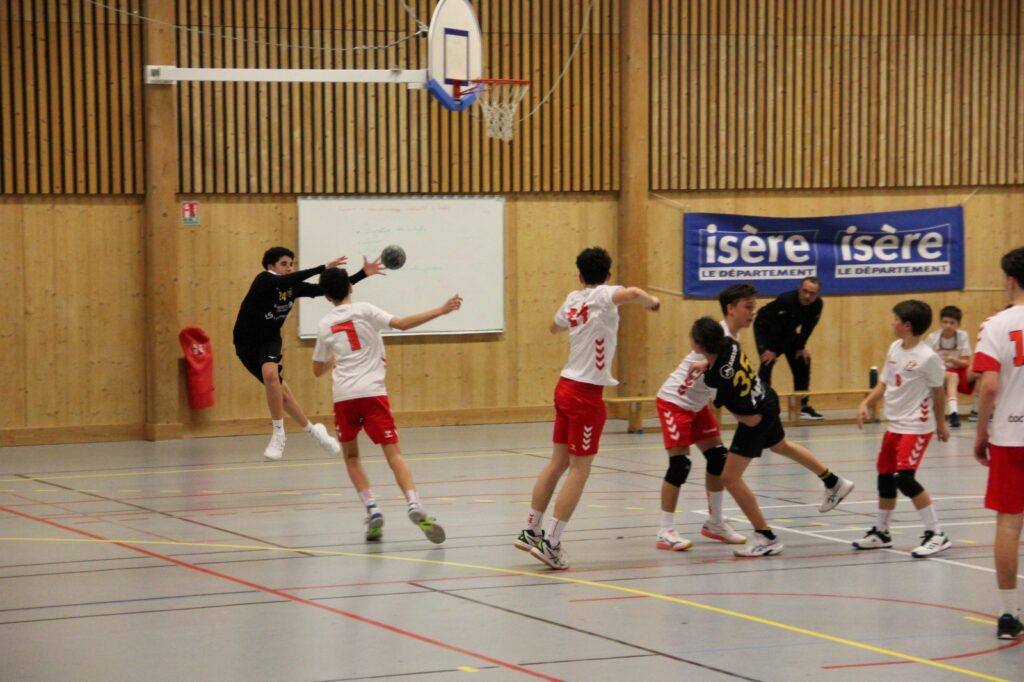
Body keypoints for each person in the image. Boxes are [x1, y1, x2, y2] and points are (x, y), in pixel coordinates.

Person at [514, 247, 660, 570]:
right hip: (585, 395)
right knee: (580, 469)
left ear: (579, 276)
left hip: (565, 386)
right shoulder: (604, 296)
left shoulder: (573, 299)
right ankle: (551, 543)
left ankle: (531, 530)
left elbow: (554, 327)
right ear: (608, 275)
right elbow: (633, 293)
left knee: (557, 462)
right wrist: (651, 301)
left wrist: (572, 323)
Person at [312, 267, 462, 543]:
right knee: (393, 454)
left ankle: (372, 509)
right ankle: (413, 503)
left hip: (344, 397)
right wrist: (442, 310)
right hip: (372, 393)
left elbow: (317, 370)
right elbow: (402, 324)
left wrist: (335, 358)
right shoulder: (365, 310)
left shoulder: (324, 325)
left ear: (326, 296)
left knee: (352, 457)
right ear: (350, 287)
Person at [689, 316, 855, 558]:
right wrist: (706, 363)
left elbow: (736, 409)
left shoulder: (714, 380)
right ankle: (834, 482)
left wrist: (744, 418)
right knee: (780, 445)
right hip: (767, 398)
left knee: (730, 478)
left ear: (698, 345)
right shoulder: (729, 344)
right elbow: (726, 365)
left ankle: (765, 536)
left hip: (755, 416)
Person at [233, 246, 382, 461]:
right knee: (282, 394)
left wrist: (362, 274)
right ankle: (315, 432)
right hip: (245, 344)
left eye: (291, 264)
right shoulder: (263, 280)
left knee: (271, 376)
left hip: (269, 339)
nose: (289, 268)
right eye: (284, 264)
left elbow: (326, 289)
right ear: (270, 266)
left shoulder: (291, 287)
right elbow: (284, 281)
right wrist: (322, 267)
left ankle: (278, 433)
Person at [855, 300, 952, 558]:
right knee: (885, 476)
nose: (892, 323)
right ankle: (882, 532)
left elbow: (938, 392)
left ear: (907, 325)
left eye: (895, 319)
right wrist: (866, 403)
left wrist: (941, 423)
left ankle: (937, 533)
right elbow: (884, 383)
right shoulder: (895, 348)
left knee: (904, 478)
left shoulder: (928, 357)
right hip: (895, 424)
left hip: (917, 426)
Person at [972, 246, 1024, 640]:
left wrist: (981, 433)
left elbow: (988, 385)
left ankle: (1008, 614)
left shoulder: (995, 325)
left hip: (1011, 435)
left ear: (1009, 281)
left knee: (1008, 524)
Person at [653, 347, 746, 550]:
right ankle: (665, 531)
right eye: (748, 311)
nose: (752, 313)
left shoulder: (732, 342)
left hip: (697, 405)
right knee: (680, 464)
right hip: (674, 402)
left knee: (718, 457)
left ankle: (715, 522)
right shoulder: (721, 336)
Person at [753, 277, 825, 420]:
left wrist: (800, 347)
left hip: (787, 330)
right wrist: (770, 349)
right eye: (804, 291)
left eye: (812, 293)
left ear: (817, 294)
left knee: (802, 360)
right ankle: (762, 405)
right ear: (799, 289)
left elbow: (808, 327)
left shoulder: (817, 304)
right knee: (767, 361)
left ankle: (802, 406)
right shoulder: (786, 300)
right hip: (765, 328)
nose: (807, 296)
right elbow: (774, 326)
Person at [924, 305, 977, 428]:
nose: (948, 325)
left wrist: (952, 359)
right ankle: (954, 413)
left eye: (952, 323)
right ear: (940, 322)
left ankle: (976, 411)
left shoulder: (962, 336)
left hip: (958, 368)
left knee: (979, 371)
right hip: (940, 372)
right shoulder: (932, 338)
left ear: (958, 324)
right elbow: (925, 362)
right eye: (945, 322)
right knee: (952, 376)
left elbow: (965, 362)